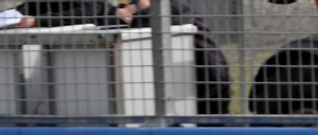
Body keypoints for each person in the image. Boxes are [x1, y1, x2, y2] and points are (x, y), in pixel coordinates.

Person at [15, 0, 231, 114]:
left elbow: (162, 14)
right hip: (164, 91)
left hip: (201, 82)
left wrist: (132, 12)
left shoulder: (174, 10)